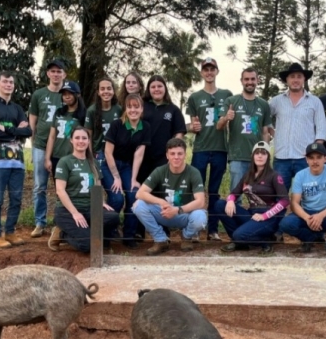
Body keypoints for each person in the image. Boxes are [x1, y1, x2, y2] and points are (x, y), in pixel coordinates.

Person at [49, 126, 120, 253]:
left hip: (89, 208)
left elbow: (97, 186)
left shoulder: (93, 163)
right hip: (68, 211)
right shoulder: (64, 162)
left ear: (88, 141)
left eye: (84, 138)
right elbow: (60, 190)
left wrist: (101, 202)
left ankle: (86, 232)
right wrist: (75, 213)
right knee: (88, 246)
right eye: (77, 138)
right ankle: (61, 234)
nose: (81, 141)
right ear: (71, 140)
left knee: (113, 217)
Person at [277, 143, 326, 259]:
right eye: (311, 158)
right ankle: (308, 238)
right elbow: (294, 203)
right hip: (308, 213)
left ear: (325, 159)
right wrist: (307, 218)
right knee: (286, 224)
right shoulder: (300, 175)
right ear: (306, 160)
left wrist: (321, 215)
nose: (315, 161)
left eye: (319, 157)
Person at [133, 138, 207, 255]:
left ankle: (186, 237)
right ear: (167, 155)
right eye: (172, 154)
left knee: (200, 216)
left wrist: (177, 210)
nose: (176, 157)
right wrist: (161, 202)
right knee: (138, 205)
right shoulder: (160, 171)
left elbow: (200, 201)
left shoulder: (194, 172)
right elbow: (140, 193)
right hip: (164, 212)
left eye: (180, 153)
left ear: (185, 154)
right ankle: (160, 240)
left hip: (184, 214)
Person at [0, 71, 32, 248]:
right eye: (5, 82)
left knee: (16, 199)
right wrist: (16, 132)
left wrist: (7, 130)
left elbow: (28, 132)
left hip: (17, 161)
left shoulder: (18, 108)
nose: (8, 85)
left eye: (11, 82)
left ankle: (10, 231)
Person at [186, 57, 233, 241]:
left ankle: (212, 230)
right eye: (206, 69)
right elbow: (192, 124)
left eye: (212, 69)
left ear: (217, 71)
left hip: (220, 149)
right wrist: (192, 127)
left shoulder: (227, 94)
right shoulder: (194, 97)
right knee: (196, 190)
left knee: (213, 190)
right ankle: (195, 228)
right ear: (201, 73)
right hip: (200, 149)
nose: (209, 72)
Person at [215, 141, 289, 254]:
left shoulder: (274, 175)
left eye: (264, 153)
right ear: (252, 156)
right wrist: (230, 201)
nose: (260, 155)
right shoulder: (247, 175)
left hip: (267, 218)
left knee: (239, 234)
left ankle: (264, 242)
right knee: (220, 205)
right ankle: (240, 242)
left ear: (268, 157)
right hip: (251, 214)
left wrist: (264, 216)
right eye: (257, 153)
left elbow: (285, 201)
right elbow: (234, 193)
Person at [269, 62, 326, 191]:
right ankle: (279, 212)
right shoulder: (276, 101)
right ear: (287, 80)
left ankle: (306, 212)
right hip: (281, 158)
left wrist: (315, 153)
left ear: (304, 79)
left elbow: (321, 129)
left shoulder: (314, 101)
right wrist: (273, 134)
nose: (295, 79)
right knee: (279, 195)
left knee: (309, 194)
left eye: (299, 76)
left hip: (305, 158)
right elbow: (264, 119)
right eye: (292, 76)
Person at [102, 94, 151, 249]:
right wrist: (116, 177)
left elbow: (139, 154)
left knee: (134, 195)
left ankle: (128, 235)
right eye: (130, 107)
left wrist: (133, 179)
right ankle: (107, 234)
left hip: (128, 166)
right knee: (116, 199)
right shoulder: (117, 125)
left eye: (136, 107)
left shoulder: (145, 127)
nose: (133, 110)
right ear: (126, 109)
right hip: (110, 165)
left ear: (141, 109)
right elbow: (108, 152)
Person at [217, 67, 272, 191]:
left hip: (257, 157)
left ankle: (256, 211)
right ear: (241, 81)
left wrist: (266, 154)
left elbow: (265, 132)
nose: (250, 82)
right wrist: (226, 118)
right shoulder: (231, 101)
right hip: (237, 157)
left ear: (257, 80)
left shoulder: (263, 104)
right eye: (246, 79)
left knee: (259, 194)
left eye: (253, 79)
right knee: (236, 194)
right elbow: (219, 126)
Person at [28, 59, 66, 238]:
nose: (56, 74)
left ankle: (61, 223)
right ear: (48, 74)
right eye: (53, 71)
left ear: (64, 74)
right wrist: (33, 145)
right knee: (40, 186)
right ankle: (39, 222)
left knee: (62, 186)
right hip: (41, 145)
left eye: (59, 71)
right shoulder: (39, 94)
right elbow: (33, 120)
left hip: (62, 146)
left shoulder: (68, 94)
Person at [139, 75, 187, 182]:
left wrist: (172, 155)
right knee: (139, 191)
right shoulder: (141, 106)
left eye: (159, 86)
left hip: (162, 158)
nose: (156, 89)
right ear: (148, 89)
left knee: (160, 190)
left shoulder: (173, 109)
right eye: (153, 87)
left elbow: (179, 133)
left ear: (165, 88)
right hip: (142, 157)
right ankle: (96, 198)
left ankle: (96, 197)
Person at [44, 80, 86, 178]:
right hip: (57, 156)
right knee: (60, 188)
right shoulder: (59, 112)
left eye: (70, 93)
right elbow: (52, 136)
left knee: (76, 187)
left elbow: (88, 137)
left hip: (75, 157)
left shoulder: (85, 114)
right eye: (64, 94)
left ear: (78, 95)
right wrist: (47, 158)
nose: (67, 96)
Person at [84, 77, 122, 165]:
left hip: (115, 153)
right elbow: (88, 135)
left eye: (109, 88)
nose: (106, 91)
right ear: (98, 92)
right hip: (98, 153)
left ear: (113, 91)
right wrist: (90, 157)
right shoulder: (91, 111)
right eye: (102, 89)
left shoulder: (119, 109)